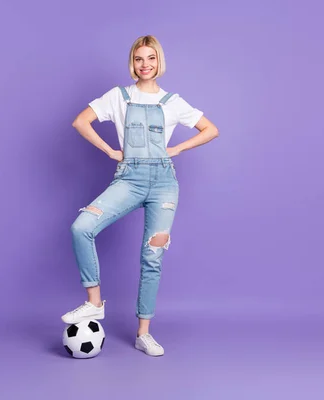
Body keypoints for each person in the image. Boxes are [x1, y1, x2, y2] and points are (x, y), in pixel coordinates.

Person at [62, 35, 219, 356]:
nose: (145, 65)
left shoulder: (173, 102)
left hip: (164, 183)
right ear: (132, 63)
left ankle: (143, 333)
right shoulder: (118, 97)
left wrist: (177, 148)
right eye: (138, 59)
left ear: (159, 62)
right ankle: (94, 302)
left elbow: (210, 129)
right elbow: (81, 121)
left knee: (152, 256)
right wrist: (109, 150)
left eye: (151, 58)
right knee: (82, 227)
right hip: (129, 179)